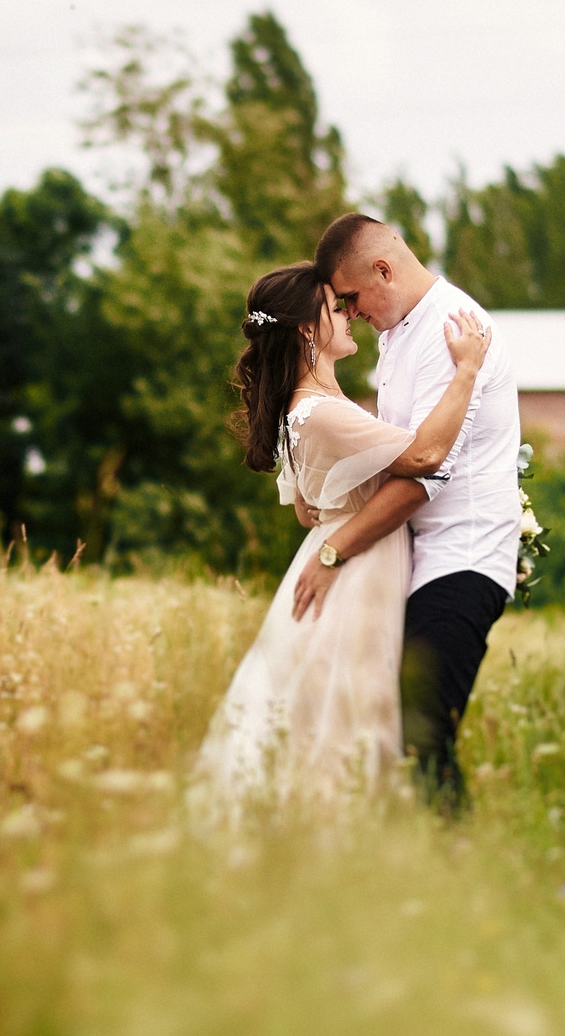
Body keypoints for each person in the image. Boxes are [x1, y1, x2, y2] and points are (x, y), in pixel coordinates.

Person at [193, 261, 490, 806]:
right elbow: (424, 455)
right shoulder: (322, 412)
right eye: (336, 307)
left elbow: (308, 511)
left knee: (321, 705)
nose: (349, 314)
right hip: (357, 566)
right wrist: (467, 372)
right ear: (307, 329)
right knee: (351, 711)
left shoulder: (303, 410)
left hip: (337, 550)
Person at [312, 212, 520, 815]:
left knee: (421, 724)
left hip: (465, 555)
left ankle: (456, 868)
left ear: (383, 269)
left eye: (351, 298)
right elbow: (393, 457)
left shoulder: (454, 328)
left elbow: (425, 472)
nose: (349, 312)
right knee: (391, 725)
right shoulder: (397, 335)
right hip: (415, 560)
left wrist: (335, 551)